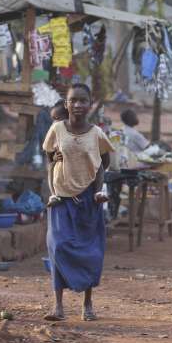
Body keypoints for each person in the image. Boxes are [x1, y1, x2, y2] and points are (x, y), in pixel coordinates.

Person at [42, 83, 114, 321]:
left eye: (83, 100)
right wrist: (55, 162)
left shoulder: (96, 133)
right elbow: (49, 156)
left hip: (88, 199)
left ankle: (88, 304)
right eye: (74, 100)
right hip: (61, 199)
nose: (78, 105)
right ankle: (58, 305)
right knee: (58, 247)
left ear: (90, 104)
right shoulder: (56, 129)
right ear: (67, 104)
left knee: (90, 252)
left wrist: (96, 186)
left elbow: (105, 160)